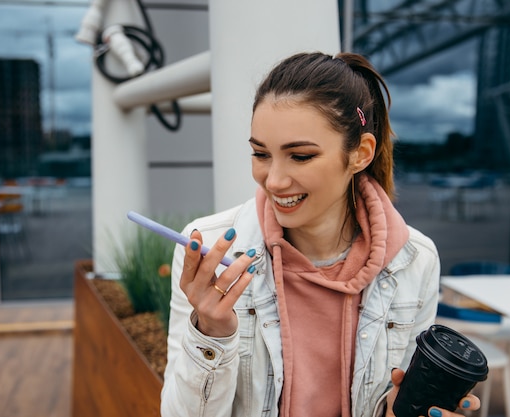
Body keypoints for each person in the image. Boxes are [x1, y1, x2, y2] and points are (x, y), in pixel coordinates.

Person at [160, 51, 481, 417]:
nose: (274, 181)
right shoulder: (209, 249)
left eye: (300, 156)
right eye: (261, 154)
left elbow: (392, 400)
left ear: (360, 154)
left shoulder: (415, 260)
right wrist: (211, 334)